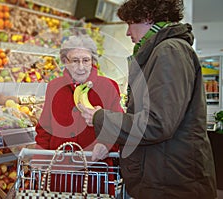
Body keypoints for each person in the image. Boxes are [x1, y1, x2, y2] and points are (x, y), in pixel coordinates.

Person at [78, 0, 217, 198]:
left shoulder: (169, 52)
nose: (127, 33)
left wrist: (100, 118)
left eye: (129, 24)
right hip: (164, 176)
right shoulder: (163, 51)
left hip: (170, 184)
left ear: (147, 17)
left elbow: (156, 124)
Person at [35, 33, 123, 195]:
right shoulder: (54, 87)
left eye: (86, 60)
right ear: (65, 62)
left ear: (93, 61)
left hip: (96, 173)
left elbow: (119, 126)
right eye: (75, 61)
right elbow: (44, 128)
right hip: (59, 173)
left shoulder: (109, 87)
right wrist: (40, 156)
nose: (81, 67)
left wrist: (107, 143)